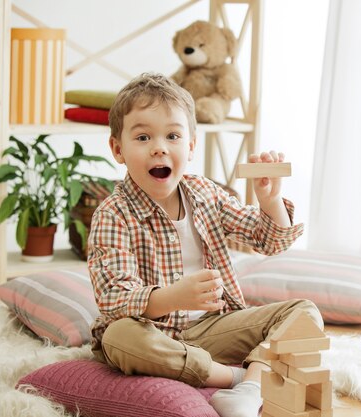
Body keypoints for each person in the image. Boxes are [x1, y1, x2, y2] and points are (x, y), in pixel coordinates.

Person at [87, 72, 323, 417]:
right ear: (118, 149)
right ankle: (236, 377)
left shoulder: (206, 193)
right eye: (142, 137)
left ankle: (249, 389)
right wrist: (173, 297)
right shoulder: (113, 213)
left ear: (191, 146)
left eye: (172, 136)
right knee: (119, 338)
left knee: (303, 312)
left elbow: (268, 240)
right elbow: (114, 298)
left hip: (215, 327)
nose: (159, 147)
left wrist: (270, 201)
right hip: (152, 334)